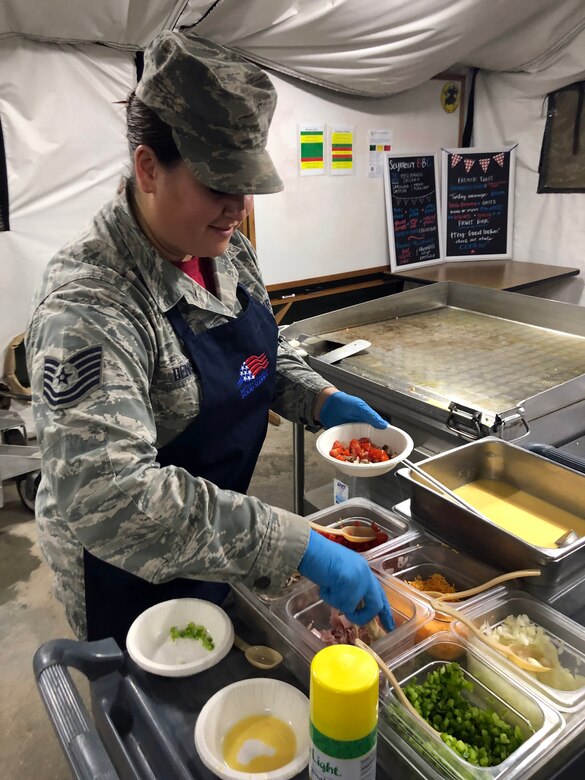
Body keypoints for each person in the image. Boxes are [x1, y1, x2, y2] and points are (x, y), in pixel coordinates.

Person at [26, 31, 394, 648]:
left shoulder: (225, 248)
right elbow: (112, 499)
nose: (238, 207)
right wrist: (296, 545)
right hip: (123, 569)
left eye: (246, 184)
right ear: (148, 167)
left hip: (214, 537)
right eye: (218, 184)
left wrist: (318, 400)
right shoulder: (91, 303)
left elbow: (255, 359)